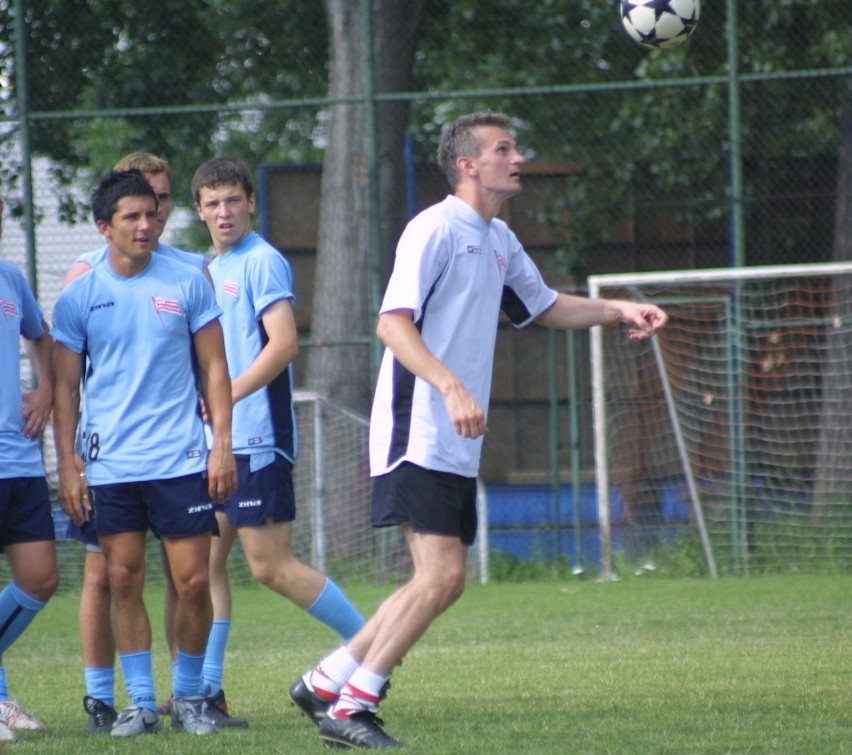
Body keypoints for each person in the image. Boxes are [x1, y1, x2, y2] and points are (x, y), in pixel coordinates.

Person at [290, 112, 670, 749]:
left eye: (514, 146)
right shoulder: (433, 229)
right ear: (467, 165)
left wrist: (617, 309)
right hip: (419, 427)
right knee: (442, 577)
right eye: (503, 148)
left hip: (453, 433)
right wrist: (450, 384)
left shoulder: (496, 238)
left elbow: (544, 305)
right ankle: (354, 705)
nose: (516, 156)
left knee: (433, 579)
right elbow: (392, 324)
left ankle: (326, 681)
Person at [58, 152, 240, 733]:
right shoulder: (81, 294)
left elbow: (216, 369)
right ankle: (139, 700)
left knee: (192, 581)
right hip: (111, 465)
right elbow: (64, 387)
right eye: (131, 216)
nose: (144, 225)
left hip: (181, 458)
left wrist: (222, 443)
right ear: (104, 226)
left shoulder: (187, 279)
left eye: (151, 214)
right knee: (121, 579)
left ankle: (188, 697)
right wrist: (66, 464)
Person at [190, 157, 366, 716]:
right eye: (213, 203)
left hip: (257, 440)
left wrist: (228, 397)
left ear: (251, 204)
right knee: (204, 564)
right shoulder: (206, 271)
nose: (224, 212)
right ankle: (207, 693)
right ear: (199, 211)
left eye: (233, 200)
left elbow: (284, 345)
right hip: (216, 442)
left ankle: (372, 646)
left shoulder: (262, 262)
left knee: (268, 566)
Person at [0, 197, 60, 743]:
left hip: (19, 456)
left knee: (41, 578)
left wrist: (43, 386)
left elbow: (40, 335)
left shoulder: (10, 279)